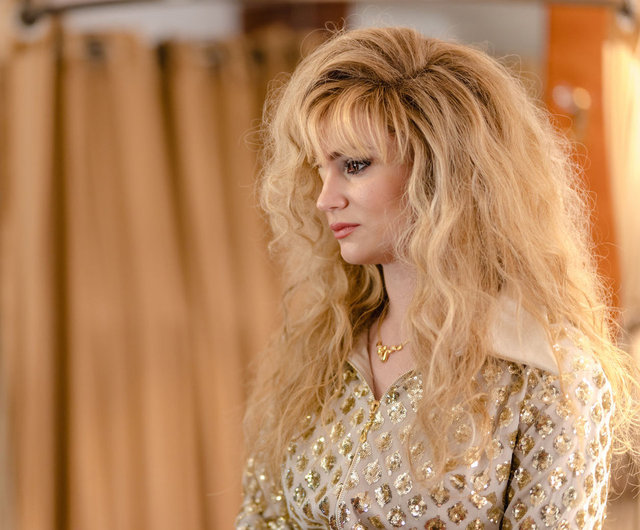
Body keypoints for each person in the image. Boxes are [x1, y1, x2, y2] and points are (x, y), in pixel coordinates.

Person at [235, 27, 639, 529]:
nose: (325, 199)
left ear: (443, 172)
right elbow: (260, 515)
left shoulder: (547, 374)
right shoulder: (322, 348)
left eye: (355, 166)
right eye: (321, 168)